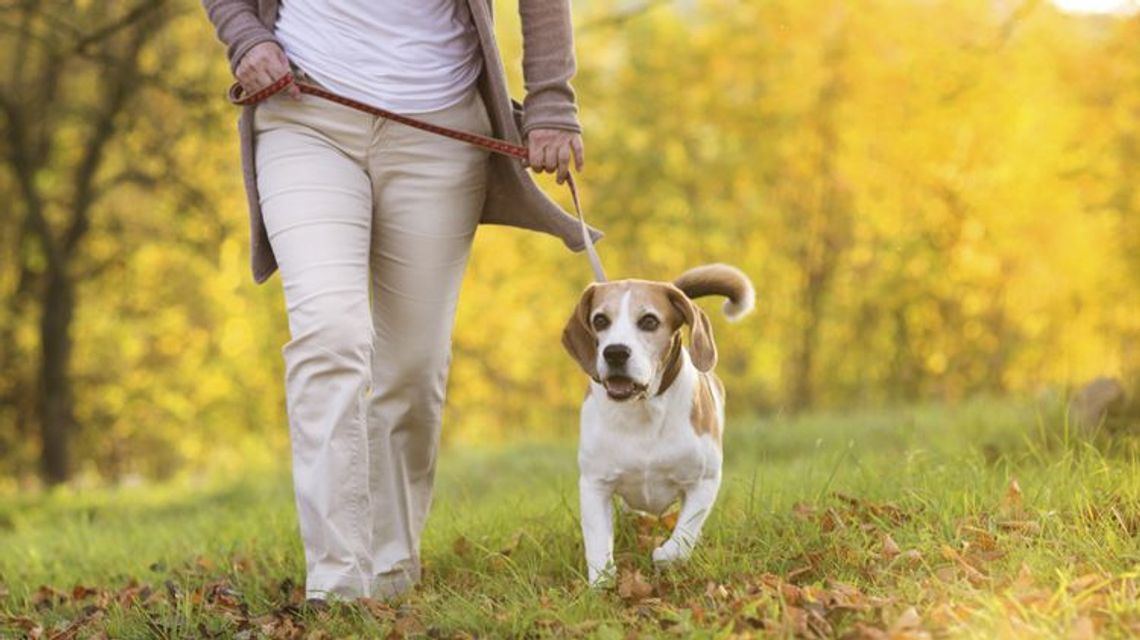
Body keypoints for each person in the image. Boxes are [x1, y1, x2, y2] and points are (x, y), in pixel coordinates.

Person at [201, 0, 600, 602]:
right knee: (329, 333)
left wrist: (551, 102)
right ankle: (336, 582)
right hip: (305, 113)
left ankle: (389, 571)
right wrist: (245, 36)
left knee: (412, 370)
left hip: (438, 133)